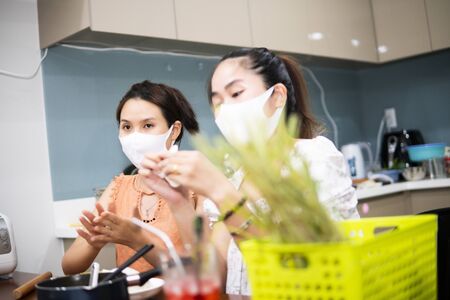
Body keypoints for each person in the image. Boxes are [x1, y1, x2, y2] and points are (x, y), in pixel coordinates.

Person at [139, 48, 359, 297]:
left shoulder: (313, 158)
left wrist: (220, 191)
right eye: (218, 102)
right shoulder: (238, 176)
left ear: (277, 96)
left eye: (236, 93)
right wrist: (179, 202)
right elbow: (212, 278)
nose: (226, 110)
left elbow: (302, 276)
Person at [61, 80, 200, 274]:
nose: (135, 137)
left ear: (174, 130)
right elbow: (69, 267)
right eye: (126, 127)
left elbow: (201, 273)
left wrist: (137, 239)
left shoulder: (198, 188)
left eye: (148, 125)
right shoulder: (119, 187)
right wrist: (94, 242)